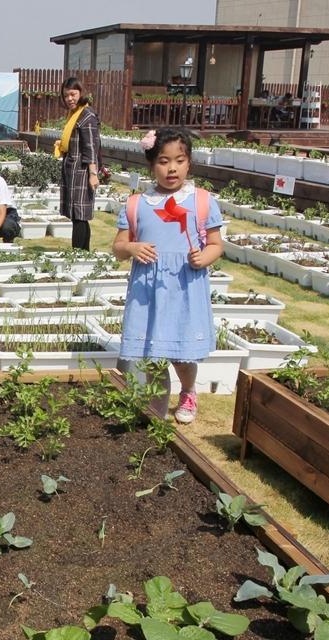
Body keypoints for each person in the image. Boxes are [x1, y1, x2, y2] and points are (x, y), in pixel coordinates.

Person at [112, 128, 224, 425]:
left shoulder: (201, 200)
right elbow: (118, 247)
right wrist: (132, 247)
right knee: (152, 352)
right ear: (152, 164)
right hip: (149, 289)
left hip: (184, 286)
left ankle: (188, 390)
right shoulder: (137, 203)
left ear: (189, 163)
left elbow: (216, 244)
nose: (172, 168)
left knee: (183, 353)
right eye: (163, 161)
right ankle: (157, 404)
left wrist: (203, 258)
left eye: (179, 160)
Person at [54, 76, 101, 251]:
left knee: (80, 214)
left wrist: (93, 174)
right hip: (72, 168)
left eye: (73, 94)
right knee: (76, 214)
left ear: (80, 93)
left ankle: (78, 253)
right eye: (66, 96)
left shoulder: (87, 115)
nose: (69, 99)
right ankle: (83, 252)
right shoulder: (74, 114)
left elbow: (91, 146)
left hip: (82, 170)